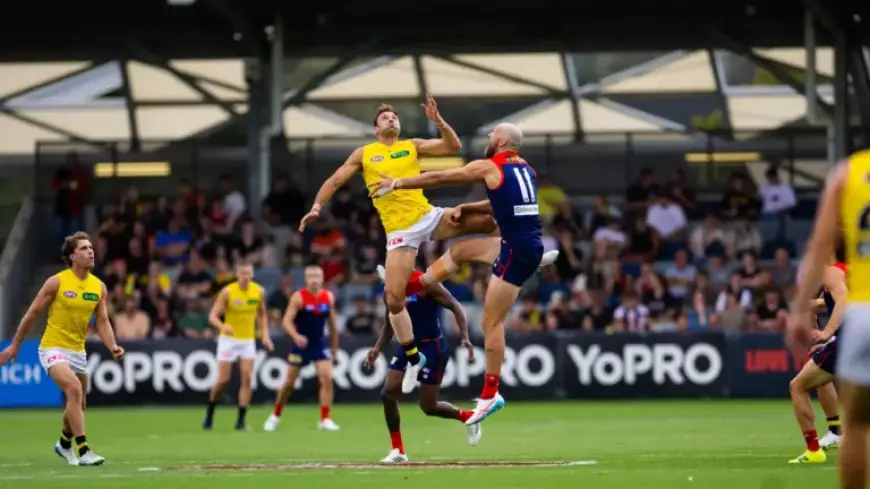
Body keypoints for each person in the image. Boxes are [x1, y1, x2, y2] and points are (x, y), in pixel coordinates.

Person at [299, 96, 500, 395]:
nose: (391, 119)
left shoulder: (412, 145)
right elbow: (335, 180)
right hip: (399, 233)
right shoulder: (365, 153)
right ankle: (413, 358)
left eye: (395, 117)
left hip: (428, 217)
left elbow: (452, 146)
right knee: (394, 299)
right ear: (376, 128)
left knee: (487, 221)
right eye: (385, 117)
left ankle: (522, 251)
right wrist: (317, 206)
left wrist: (439, 122)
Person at [368, 122, 544, 426]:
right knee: (461, 251)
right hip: (526, 244)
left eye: (492, 134)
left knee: (492, 322)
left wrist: (398, 183)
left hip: (514, 249)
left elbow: (441, 177)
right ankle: (416, 284)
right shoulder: (525, 169)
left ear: (502, 141)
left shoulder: (490, 166)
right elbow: (501, 202)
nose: (488, 136)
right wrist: (467, 206)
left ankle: (491, 394)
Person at [0, 231, 124, 466]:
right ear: (72, 256)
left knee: (79, 402)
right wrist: (15, 346)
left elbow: (103, 321)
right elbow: (32, 313)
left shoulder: (99, 287)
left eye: (91, 248)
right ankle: (84, 450)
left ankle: (64, 444)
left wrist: (113, 346)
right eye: (84, 249)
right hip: (52, 347)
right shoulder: (56, 282)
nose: (90, 252)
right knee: (74, 389)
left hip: (78, 351)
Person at [787, 149, 870, 489]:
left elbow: (820, 245)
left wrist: (816, 325)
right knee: (820, 381)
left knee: (857, 423)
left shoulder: (849, 172)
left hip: (861, 320)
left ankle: (820, 445)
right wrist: (816, 305)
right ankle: (833, 430)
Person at [365, 270, 478, 463]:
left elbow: (455, 305)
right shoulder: (390, 290)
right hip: (406, 344)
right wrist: (377, 348)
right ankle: (398, 451)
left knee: (429, 407)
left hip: (432, 347)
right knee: (388, 394)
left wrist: (465, 337)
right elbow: (390, 322)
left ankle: (469, 416)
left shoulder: (426, 283)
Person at [264, 265, 340, 432]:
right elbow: (286, 322)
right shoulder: (298, 297)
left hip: (318, 344)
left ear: (322, 279)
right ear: (306, 279)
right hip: (301, 345)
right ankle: (275, 416)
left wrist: (335, 348)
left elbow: (333, 326)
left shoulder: (328, 297)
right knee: (289, 383)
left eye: (317, 277)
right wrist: (296, 336)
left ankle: (325, 419)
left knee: (326, 378)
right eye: (311, 277)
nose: (314, 280)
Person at [788, 260, 847, 464]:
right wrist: (812, 304)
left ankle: (813, 450)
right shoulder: (849, 270)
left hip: (851, 339)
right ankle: (836, 430)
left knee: (798, 386)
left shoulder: (831, 271)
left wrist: (827, 333)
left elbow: (844, 300)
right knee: (821, 377)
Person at [203, 262, 273, 431]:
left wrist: (265, 335)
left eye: (248, 274)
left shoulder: (259, 291)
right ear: (237, 275)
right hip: (229, 340)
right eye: (242, 274)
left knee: (247, 377)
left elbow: (262, 315)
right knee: (223, 380)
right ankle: (210, 414)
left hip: (247, 340)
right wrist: (223, 326)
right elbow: (212, 316)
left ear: (252, 274)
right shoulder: (228, 292)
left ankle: (241, 421)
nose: (245, 277)